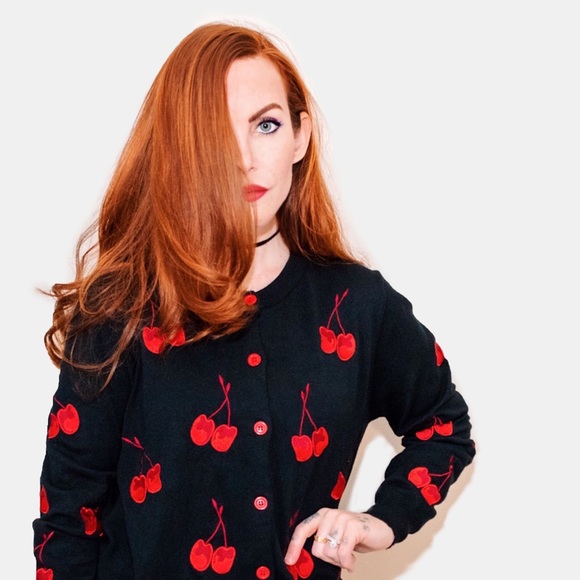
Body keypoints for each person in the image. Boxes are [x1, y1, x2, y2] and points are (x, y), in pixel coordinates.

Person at [32, 20, 476, 579]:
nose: (243, 157)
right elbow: (68, 522)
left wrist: (378, 522)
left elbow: (444, 427)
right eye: (215, 132)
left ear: (300, 136)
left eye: (266, 125)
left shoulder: (358, 306)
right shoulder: (121, 310)